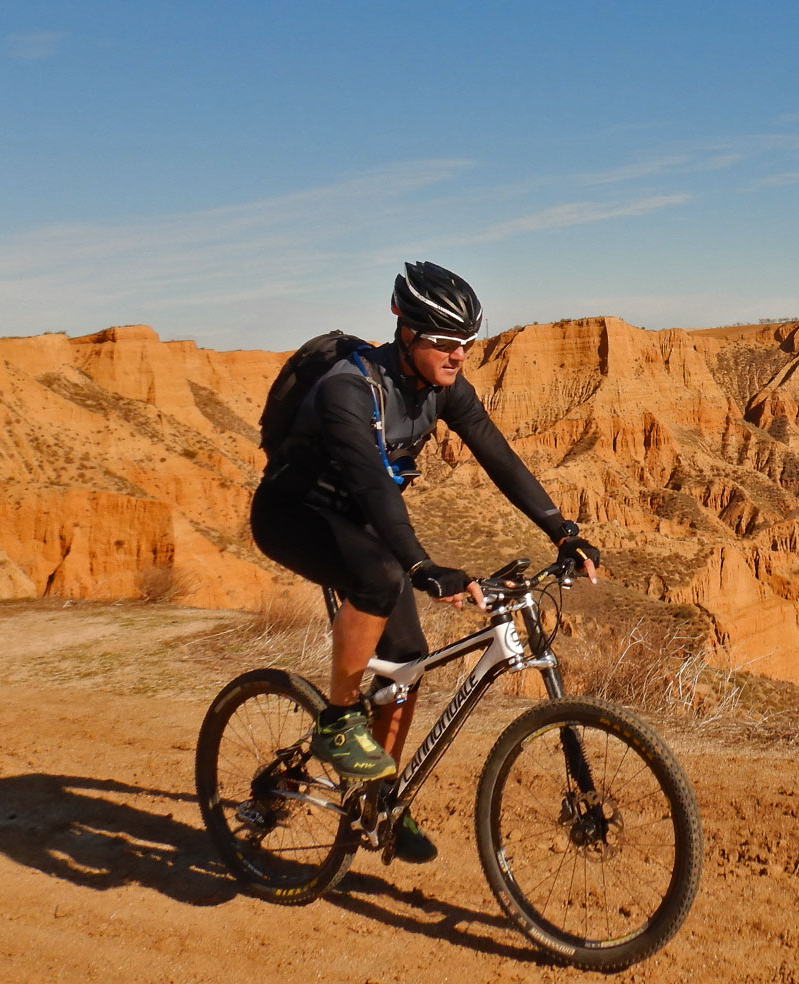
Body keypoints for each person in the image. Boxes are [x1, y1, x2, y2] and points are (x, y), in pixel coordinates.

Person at [249, 261, 599, 863]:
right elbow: (373, 487)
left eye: (465, 342)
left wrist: (563, 531)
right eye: (442, 341)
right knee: (381, 577)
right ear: (405, 333)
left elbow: (498, 455)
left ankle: (382, 799)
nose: (456, 355)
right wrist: (421, 566)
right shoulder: (346, 390)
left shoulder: (443, 389)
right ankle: (335, 723)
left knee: (405, 662)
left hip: (359, 526)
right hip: (292, 516)